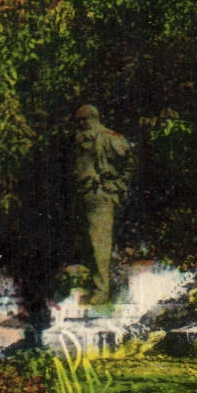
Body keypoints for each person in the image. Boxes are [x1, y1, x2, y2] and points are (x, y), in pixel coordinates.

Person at [70, 104, 133, 307]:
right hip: (85, 196)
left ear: (93, 119)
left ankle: (101, 292)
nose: (80, 125)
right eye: (78, 122)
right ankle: (95, 289)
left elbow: (129, 163)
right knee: (89, 246)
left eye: (83, 121)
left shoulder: (109, 138)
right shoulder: (82, 140)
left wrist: (116, 186)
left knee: (100, 247)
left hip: (101, 197)